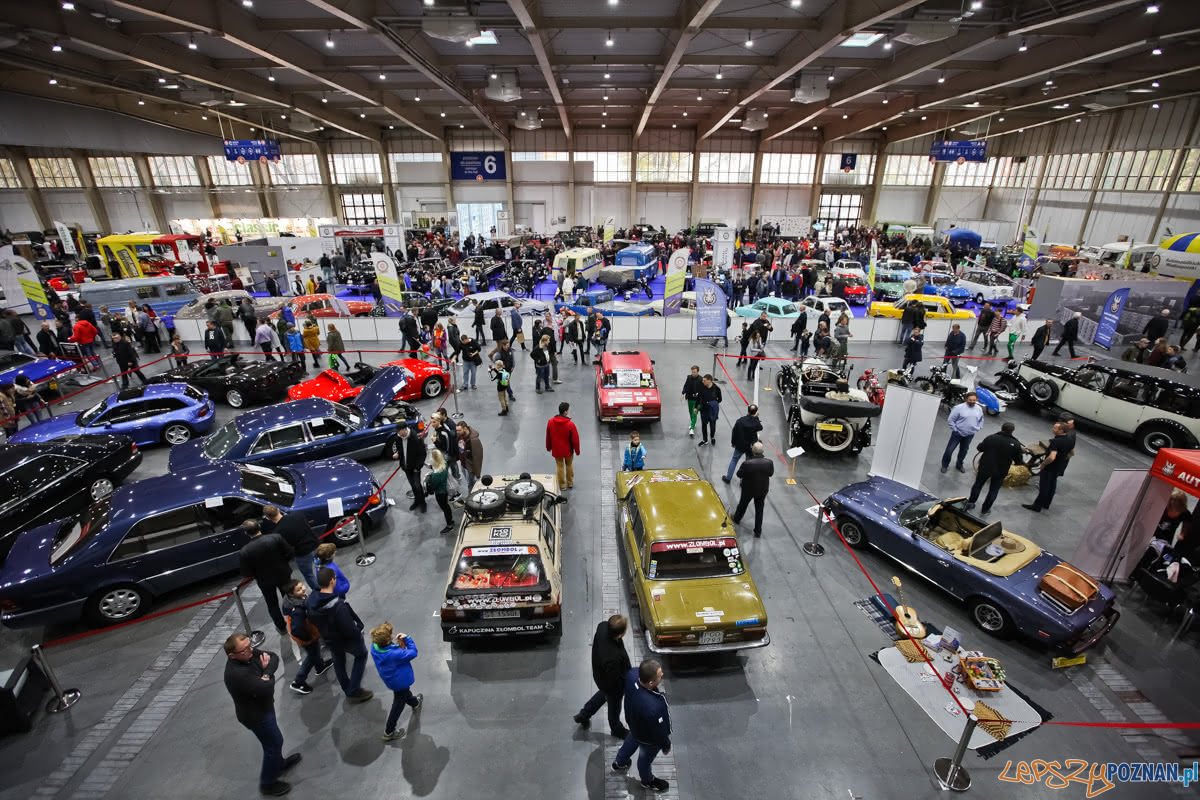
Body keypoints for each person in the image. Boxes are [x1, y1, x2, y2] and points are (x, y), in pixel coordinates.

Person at [223, 634, 299, 797]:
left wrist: (266, 674)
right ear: (232, 655)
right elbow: (265, 688)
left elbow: (274, 657)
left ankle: (279, 765)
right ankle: (268, 783)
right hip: (256, 716)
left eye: (250, 645)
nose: (251, 650)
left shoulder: (247, 653)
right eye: (244, 650)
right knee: (273, 744)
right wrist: (266, 672)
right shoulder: (237, 674)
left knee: (275, 741)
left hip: (264, 708)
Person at [307, 567, 373, 703]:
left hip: (329, 639)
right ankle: (353, 690)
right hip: (346, 640)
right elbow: (350, 628)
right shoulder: (338, 606)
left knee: (338, 661)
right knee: (361, 655)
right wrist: (358, 631)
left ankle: (346, 687)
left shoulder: (311, 601)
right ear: (332, 581)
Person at [612, 659, 672, 793]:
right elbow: (659, 732)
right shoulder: (653, 707)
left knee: (631, 740)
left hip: (634, 725)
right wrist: (666, 745)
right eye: (660, 675)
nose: (662, 675)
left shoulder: (632, 675)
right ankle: (647, 780)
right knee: (644, 759)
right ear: (651, 683)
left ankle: (619, 762)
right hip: (648, 738)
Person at [574, 615, 631, 739]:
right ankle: (617, 729)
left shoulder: (602, 627)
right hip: (611, 683)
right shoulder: (613, 658)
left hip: (600, 675)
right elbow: (613, 682)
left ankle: (583, 715)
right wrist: (624, 687)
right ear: (620, 635)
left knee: (603, 694)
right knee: (614, 705)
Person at [239, 519, 294, 634]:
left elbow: (247, 573)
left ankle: (281, 627)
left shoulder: (245, 551)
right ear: (259, 526)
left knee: (272, 604)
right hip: (283, 573)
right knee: (289, 597)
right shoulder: (276, 538)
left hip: (265, 581)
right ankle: (294, 620)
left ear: (246, 533)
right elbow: (289, 553)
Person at [371, 622, 421, 742]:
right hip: (400, 681)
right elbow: (413, 652)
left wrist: (395, 646)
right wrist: (407, 639)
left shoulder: (375, 647)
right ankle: (389, 732)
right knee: (398, 703)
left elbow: (391, 653)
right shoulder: (395, 654)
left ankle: (414, 703)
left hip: (391, 679)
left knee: (404, 694)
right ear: (387, 640)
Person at [282, 580, 332, 695]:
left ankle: (320, 666)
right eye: (299, 589)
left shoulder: (295, 600)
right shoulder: (298, 609)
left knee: (315, 651)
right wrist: (309, 637)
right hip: (306, 637)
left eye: (302, 586)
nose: (303, 589)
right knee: (311, 656)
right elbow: (297, 629)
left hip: (309, 633)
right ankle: (298, 681)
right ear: (292, 594)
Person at [966, 422, 1023, 514]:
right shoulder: (1016, 444)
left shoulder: (991, 438)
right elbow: (1018, 461)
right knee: (994, 490)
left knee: (978, 485)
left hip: (985, 467)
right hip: (1001, 471)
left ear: (1002, 428)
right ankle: (985, 509)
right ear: (1012, 431)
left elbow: (980, 448)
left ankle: (970, 503)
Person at [262, 505, 320, 592]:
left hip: (302, 553)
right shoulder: (297, 514)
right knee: (320, 568)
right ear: (278, 510)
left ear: (268, 518)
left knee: (309, 575)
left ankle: (320, 593)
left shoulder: (277, 532)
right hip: (315, 545)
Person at [1022, 421, 1072, 513]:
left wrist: (1043, 464)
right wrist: (1062, 460)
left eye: (1055, 428)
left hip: (1050, 467)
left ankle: (1037, 506)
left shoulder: (1055, 441)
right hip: (1059, 467)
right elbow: (1071, 453)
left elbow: (1052, 457)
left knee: (1044, 487)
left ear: (1061, 430)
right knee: (1052, 485)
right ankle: (1046, 504)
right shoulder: (1069, 440)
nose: (1053, 429)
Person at [731, 442, 774, 538]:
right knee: (759, 509)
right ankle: (758, 531)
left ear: (753, 451)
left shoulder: (747, 463)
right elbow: (770, 473)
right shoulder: (769, 462)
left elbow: (739, 474)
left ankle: (737, 518)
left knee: (743, 504)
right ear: (762, 451)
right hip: (762, 489)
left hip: (748, 489)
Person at [940, 391, 984, 474]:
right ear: (966, 399)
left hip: (970, 434)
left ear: (976, 400)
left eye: (974, 400)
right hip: (957, 434)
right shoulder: (958, 408)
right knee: (950, 450)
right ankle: (944, 465)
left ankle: (959, 465)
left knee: (964, 451)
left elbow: (981, 419)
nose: (972, 402)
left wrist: (978, 427)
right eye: (970, 400)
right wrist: (955, 430)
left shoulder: (979, 408)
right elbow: (951, 420)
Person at [390, 422, 427, 513]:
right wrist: (397, 454)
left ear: (405, 429)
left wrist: (417, 467)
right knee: (413, 485)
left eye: (399, 431)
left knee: (418, 486)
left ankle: (423, 503)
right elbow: (401, 449)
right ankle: (417, 501)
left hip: (415, 468)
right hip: (406, 467)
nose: (398, 433)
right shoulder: (398, 438)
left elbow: (422, 454)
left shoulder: (416, 438)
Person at [723, 404, 762, 484]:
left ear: (748, 411)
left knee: (734, 460)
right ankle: (743, 481)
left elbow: (734, 432)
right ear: (755, 412)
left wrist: (733, 442)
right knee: (748, 463)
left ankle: (728, 478)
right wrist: (756, 417)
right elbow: (760, 427)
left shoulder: (740, 421)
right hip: (751, 446)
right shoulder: (755, 422)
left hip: (740, 445)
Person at [546, 401, 580, 490]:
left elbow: (548, 436)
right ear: (565, 411)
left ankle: (562, 485)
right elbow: (575, 439)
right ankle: (570, 483)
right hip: (568, 450)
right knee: (569, 465)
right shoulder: (570, 424)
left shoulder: (550, 422)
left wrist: (548, 447)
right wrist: (577, 451)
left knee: (559, 466)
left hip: (556, 450)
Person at [426, 449, 455, 533]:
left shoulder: (436, 475)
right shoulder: (444, 464)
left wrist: (429, 479)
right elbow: (435, 466)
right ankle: (451, 520)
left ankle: (449, 525)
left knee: (444, 507)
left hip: (440, 493)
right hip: (445, 491)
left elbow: (433, 487)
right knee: (446, 506)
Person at [456, 421, 484, 492]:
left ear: (465, 428)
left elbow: (478, 457)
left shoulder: (474, 440)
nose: (457, 432)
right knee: (469, 481)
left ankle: (471, 497)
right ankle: (476, 485)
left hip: (470, 467)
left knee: (470, 484)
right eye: (456, 430)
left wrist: (477, 473)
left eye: (459, 430)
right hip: (463, 464)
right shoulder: (460, 436)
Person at [697, 373, 722, 446]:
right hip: (704, 410)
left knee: (713, 425)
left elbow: (720, 399)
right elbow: (698, 399)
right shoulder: (701, 387)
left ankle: (712, 437)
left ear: (709, 381)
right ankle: (705, 440)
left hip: (712, 411)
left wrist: (713, 404)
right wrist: (696, 407)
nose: (703, 382)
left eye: (704, 380)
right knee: (704, 425)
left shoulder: (716, 389)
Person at [681, 365, 704, 437]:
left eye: (694, 372)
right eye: (692, 372)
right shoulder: (689, 377)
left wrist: (699, 393)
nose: (693, 373)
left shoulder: (701, 379)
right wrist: (683, 393)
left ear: (698, 372)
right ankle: (692, 424)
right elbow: (686, 385)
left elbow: (703, 389)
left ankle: (692, 429)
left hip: (697, 400)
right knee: (690, 412)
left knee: (694, 413)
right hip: (690, 398)